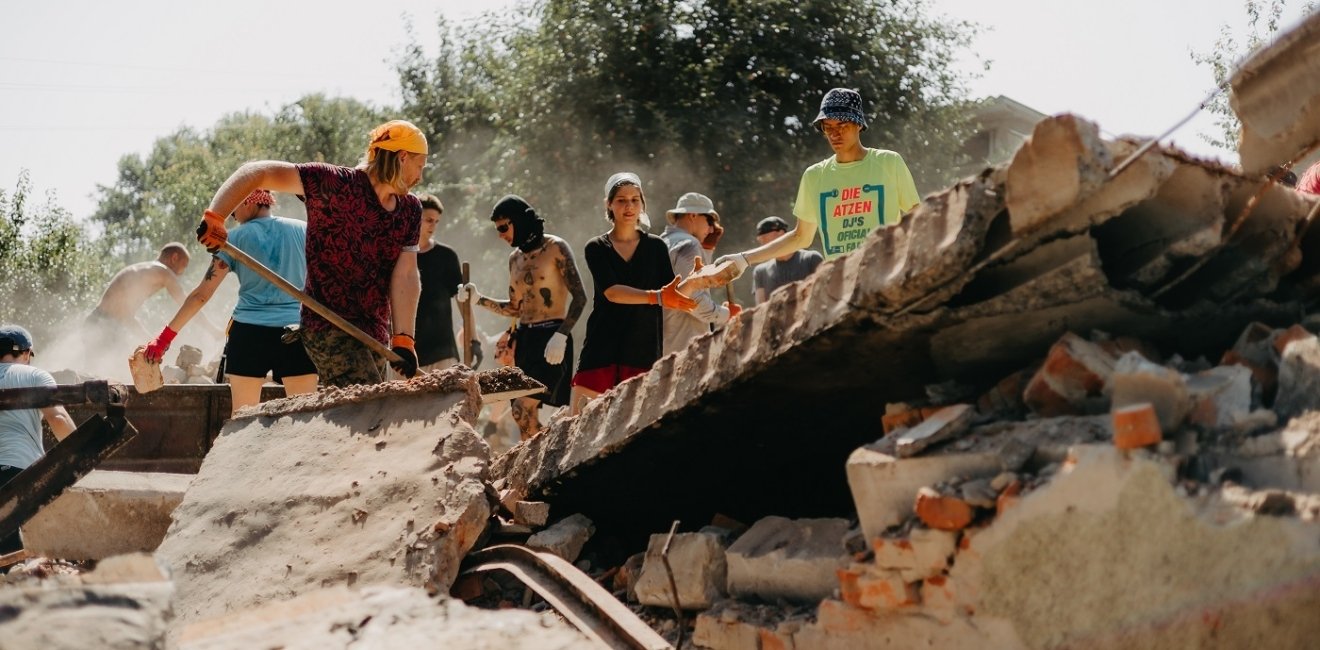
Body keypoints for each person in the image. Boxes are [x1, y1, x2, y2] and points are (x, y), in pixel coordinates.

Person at [194, 119, 428, 387]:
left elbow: (406, 275)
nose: (420, 176)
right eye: (420, 166)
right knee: (368, 408)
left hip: (373, 334)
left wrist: (403, 339)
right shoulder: (333, 184)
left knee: (361, 418)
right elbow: (257, 172)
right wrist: (215, 216)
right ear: (402, 158)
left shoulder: (409, 210)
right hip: (327, 326)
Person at [140, 189, 318, 414]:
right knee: (305, 417)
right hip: (297, 333)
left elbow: (201, 295)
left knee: (242, 420)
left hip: (249, 335)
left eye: (233, 209)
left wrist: (164, 338)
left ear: (247, 202)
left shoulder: (235, 238)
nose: (233, 216)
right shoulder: (303, 231)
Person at [717, 88, 921, 276]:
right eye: (828, 127)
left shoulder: (888, 163)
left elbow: (917, 218)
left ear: (858, 124)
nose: (835, 134)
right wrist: (744, 259)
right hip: (841, 282)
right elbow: (800, 237)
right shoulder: (814, 176)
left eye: (842, 125)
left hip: (887, 273)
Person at [457, 195, 587, 438]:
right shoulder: (514, 258)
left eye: (504, 227)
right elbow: (516, 308)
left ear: (519, 221)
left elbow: (580, 297)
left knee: (524, 407)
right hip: (525, 339)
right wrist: (478, 299)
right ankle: (538, 462)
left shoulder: (556, 248)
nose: (501, 234)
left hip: (551, 338)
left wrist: (561, 335)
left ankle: (550, 453)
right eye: (497, 229)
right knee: (521, 416)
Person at [571, 173, 698, 413]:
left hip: (642, 350)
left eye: (634, 199)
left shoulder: (656, 247)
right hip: (601, 348)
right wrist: (657, 297)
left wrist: (703, 278)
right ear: (608, 204)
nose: (629, 206)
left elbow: (673, 295)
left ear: (642, 203)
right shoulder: (597, 247)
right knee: (575, 426)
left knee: (633, 428)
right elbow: (613, 292)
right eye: (621, 200)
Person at [0, 325, 76, 553]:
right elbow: (58, 418)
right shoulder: (34, 375)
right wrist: (81, 452)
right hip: (20, 469)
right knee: (8, 538)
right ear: (25, 353)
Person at [659, 192, 740, 356]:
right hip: (683, 346)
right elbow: (692, 298)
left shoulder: (661, 243)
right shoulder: (689, 244)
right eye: (709, 221)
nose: (711, 228)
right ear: (693, 215)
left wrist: (707, 251)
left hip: (663, 344)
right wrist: (726, 315)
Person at [87, 243, 223, 341]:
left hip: (96, 322)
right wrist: (213, 331)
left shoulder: (145, 270)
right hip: (103, 327)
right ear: (174, 258)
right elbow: (189, 304)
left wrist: (152, 342)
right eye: (184, 265)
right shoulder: (164, 272)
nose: (182, 273)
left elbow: (125, 317)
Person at [414, 193, 479, 372]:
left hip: (442, 353)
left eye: (436, 221)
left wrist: (474, 339)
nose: (433, 226)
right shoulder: (398, 256)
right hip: (406, 355)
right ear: (413, 217)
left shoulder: (446, 256)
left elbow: (462, 300)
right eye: (428, 220)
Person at [751, 216, 824, 304]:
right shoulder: (761, 272)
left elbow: (823, 293)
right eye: (761, 240)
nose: (763, 244)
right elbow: (760, 308)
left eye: (765, 238)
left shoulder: (811, 259)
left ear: (781, 233)